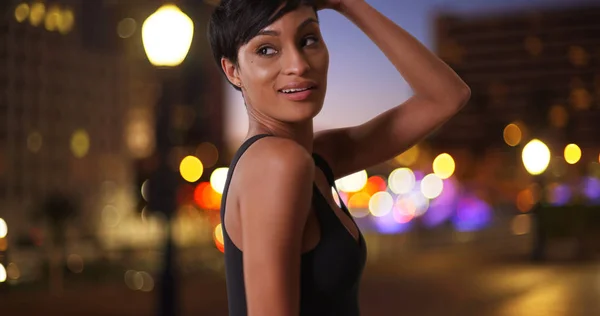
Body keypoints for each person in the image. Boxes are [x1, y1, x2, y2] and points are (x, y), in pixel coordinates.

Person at [208, 0, 470, 315]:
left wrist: (346, 3)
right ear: (233, 71)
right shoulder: (276, 164)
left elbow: (446, 96)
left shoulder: (315, 157)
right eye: (267, 49)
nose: (299, 65)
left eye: (308, 40)